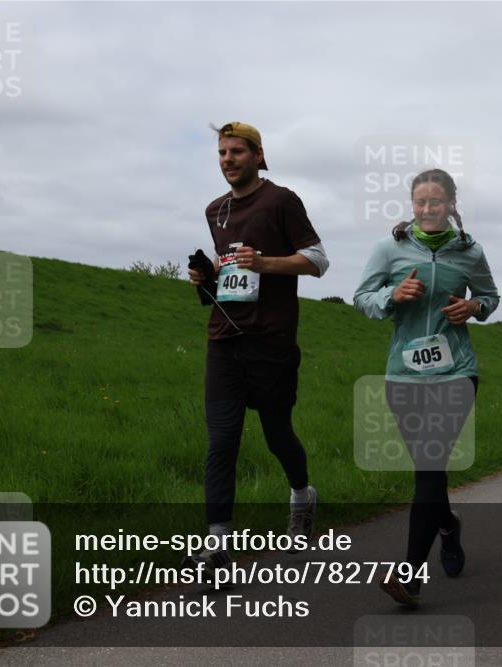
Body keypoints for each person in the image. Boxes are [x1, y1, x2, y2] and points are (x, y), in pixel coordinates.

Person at [186, 122, 330, 571]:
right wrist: (207, 274)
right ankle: (216, 547)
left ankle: (302, 496)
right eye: (222, 153)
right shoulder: (215, 210)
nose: (228, 159)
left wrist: (266, 263)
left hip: (272, 341)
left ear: (258, 155)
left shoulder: (281, 201)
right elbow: (228, 261)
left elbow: (318, 260)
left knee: (277, 435)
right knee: (222, 441)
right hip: (224, 338)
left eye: (237, 152)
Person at [354, 168, 500, 607]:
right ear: (412, 205)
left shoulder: (469, 251)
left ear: (452, 204)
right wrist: (392, 296)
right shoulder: (390, 248)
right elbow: (362, 298)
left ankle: (410, 576)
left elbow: (491, 298)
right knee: (429, 470)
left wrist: (473, 306)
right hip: (404, 374)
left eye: (436, 202)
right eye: (420, 202)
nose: (428, 209)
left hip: (457, 372)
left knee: (431, 465)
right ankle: (448, 529)